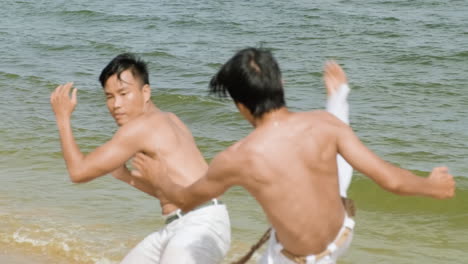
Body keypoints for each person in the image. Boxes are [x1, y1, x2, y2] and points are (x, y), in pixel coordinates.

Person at [131, 47, 455, 264]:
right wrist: (433, 186)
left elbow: (188, 199)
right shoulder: (324, 125)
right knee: (336, 153)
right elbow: (390, 179)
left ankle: (339, 97)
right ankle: (338, 97)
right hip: (344, 231)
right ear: (281, 82)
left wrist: (159, 180)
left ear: (240, 106)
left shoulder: (238, 158)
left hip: (297, 259)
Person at [50, 53, 231, 264]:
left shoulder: (140, 127)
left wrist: (62, 117)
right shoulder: (170, 119)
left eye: (123, 93)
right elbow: (175, 193)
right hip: (192, 220)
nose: (116, 104)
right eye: (109, 96)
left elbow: (78, 172)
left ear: (146, 92)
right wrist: (127, 177)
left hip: (198, 226)